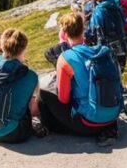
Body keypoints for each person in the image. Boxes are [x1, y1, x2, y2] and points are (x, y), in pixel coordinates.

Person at [38, 14, 122, 146]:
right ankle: (108, 128)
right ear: (83, 29)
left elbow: (63, 99)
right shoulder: (101, 51)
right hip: (113, 115)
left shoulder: (65, 58)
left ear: (64, 34)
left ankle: (46, 128)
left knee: (42, 94)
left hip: (88, 122)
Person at [0, 29, 47, 143]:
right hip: (10, 133)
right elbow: (33, 110)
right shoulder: (30, 76)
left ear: (1, 46)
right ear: (24, 48)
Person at [86, 0, 127, 72]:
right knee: (119, 68)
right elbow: (124, 21)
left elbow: (93, 30)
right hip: (120, 43)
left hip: (107, 47)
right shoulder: (115, 5)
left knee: (111, 71)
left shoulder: (98, 10)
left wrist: (85, 34)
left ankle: (118, 84)